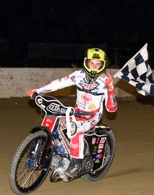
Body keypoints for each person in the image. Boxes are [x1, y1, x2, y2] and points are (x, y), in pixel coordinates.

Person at [27, 48, 117, 177]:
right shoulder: (78, 75)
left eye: (98, 64)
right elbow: (58, 84)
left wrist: (111, 88)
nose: (94, 66)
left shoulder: (105, 82)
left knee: (76, 129)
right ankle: (57, 152)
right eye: (92, 63)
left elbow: (112, 109)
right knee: (57, 122)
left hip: (93, 115)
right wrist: (38, 90)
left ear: (103, 65)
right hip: (76, 111)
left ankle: (76, 162)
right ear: (86, 62)